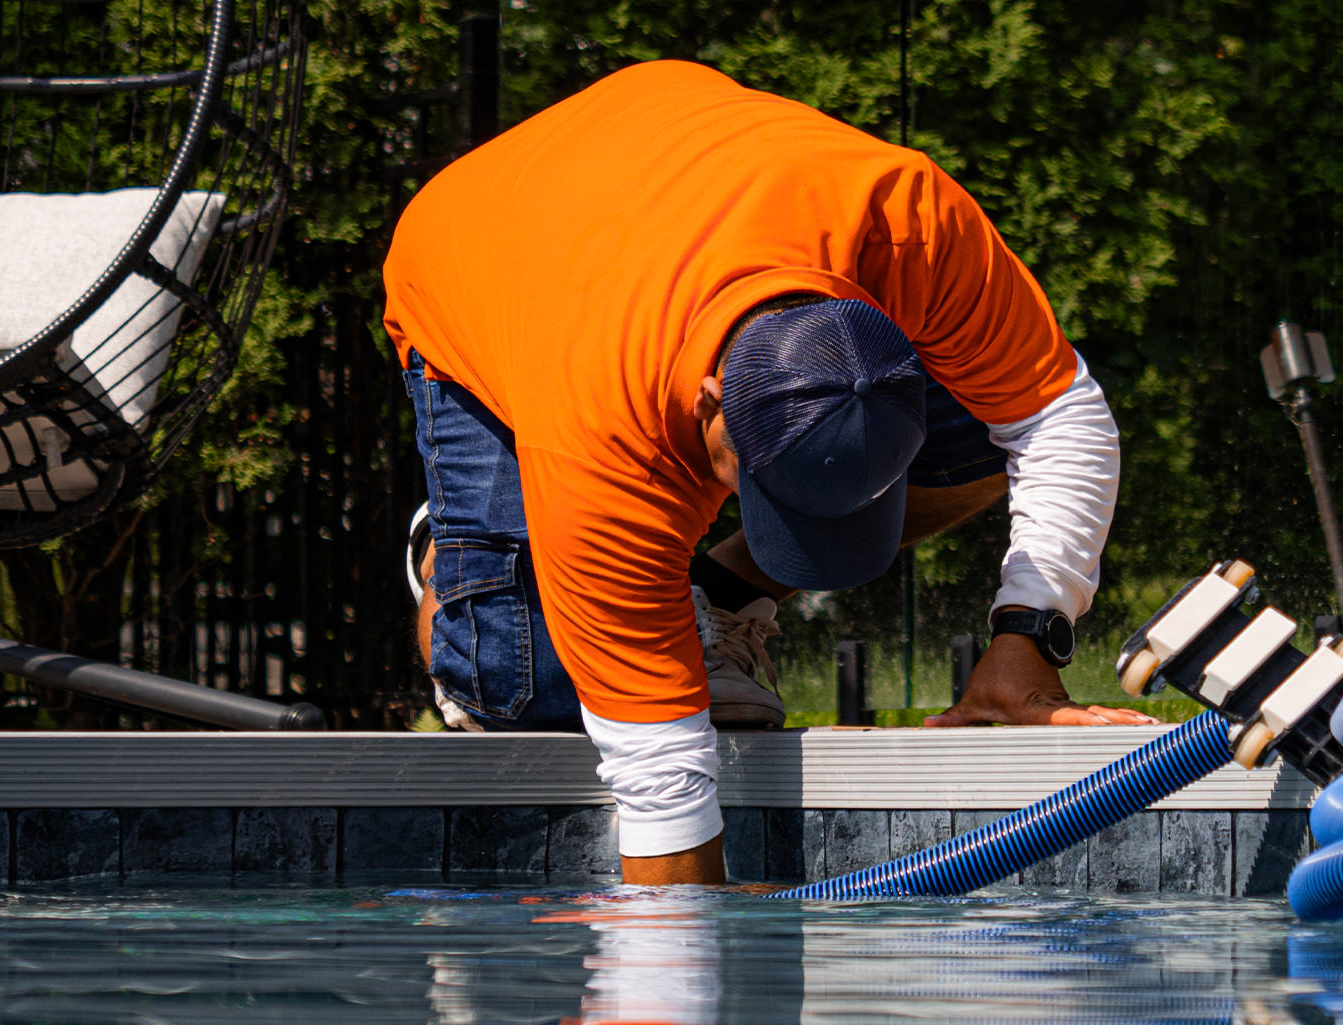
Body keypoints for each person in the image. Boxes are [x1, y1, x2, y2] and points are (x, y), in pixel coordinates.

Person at [383, 59, 1151, 887]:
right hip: (485, 245)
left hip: (686, 196)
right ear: (713, 402)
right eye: (769, 491)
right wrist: (715, 928)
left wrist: (1029, 634)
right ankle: (466, 564)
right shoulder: (593, 438)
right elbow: (659, 784)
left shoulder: (909, 226)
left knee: (982, 439)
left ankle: (706, 592)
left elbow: (1056, 414)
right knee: (525, 692)